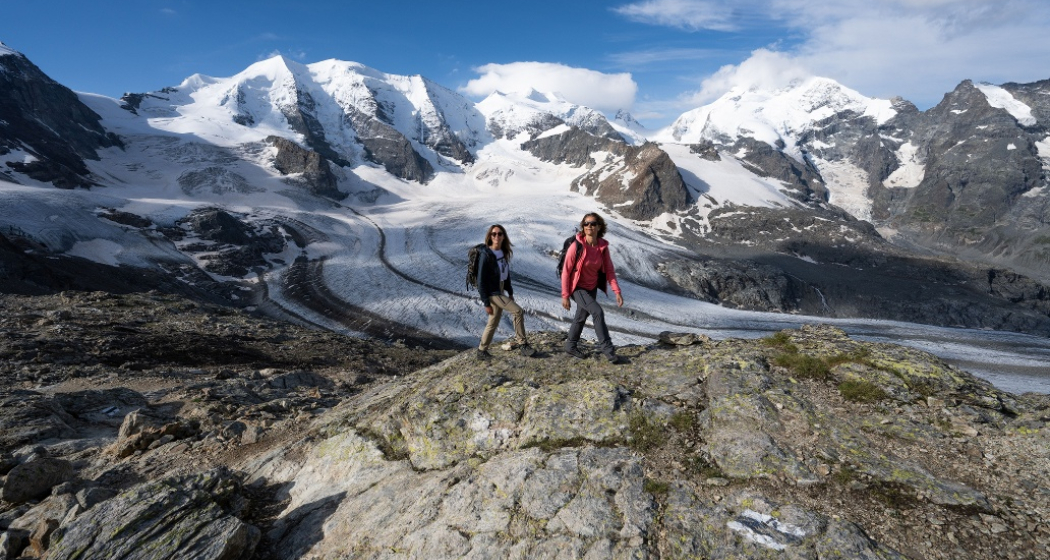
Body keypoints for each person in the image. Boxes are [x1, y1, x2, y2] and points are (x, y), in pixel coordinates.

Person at [560, 212, 624, 363]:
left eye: (593, 223)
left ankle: (570, 345)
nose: (589, 226)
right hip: (577, 288)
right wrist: (565, 295)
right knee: (597, 312)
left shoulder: (602, 248)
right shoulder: (576, 246)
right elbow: (566, 271)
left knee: (581, 316)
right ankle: (608, 351)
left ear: (599, 227)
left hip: (591, 288)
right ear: (583, 226)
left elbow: (609, 271)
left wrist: (617, 291)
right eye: (586, 223)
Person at [476, 224, 536, 358]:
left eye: (499, 233)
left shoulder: (502, 253)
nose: (497, 236)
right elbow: (480, 281)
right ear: (489, 237)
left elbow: (505, 274)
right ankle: (523, 344)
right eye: (494, 234)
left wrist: (510, 292)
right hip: (493, 292)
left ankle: (481, 350)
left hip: (500, 289)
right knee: (518, 311)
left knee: (493, 321)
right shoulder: (486, 255)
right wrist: (486, 302)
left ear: (504, 236)